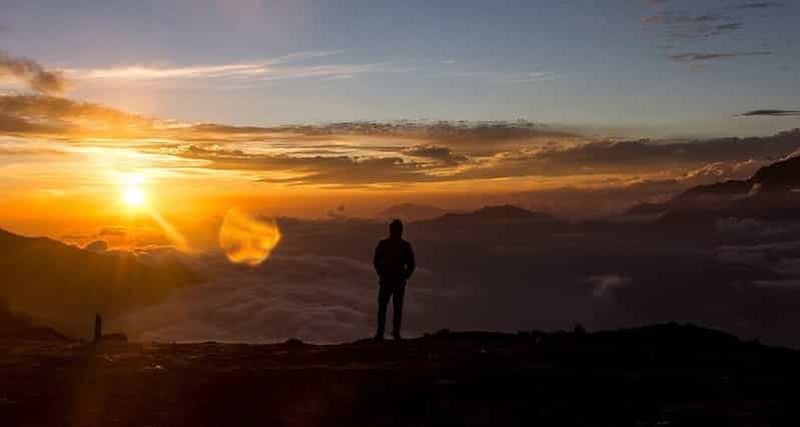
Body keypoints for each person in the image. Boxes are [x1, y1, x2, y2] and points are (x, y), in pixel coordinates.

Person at [373, 219, 415, 341]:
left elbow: (376, 262)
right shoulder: (403, 246)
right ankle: (391, 333)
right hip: (393, 281)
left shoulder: (385, 244)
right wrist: (404, 276)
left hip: (390, 281)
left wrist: (382, 274)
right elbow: (411, 264)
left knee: (386, 308)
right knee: (393, 308)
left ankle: (383, 334)